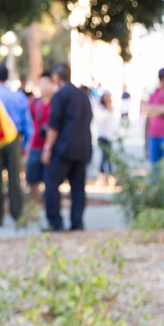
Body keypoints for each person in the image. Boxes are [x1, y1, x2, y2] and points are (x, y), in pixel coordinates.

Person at [41, 63, 93, 231]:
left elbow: (54, 126)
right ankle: (77, 222)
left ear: (56, 76)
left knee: (51, 183)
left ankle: (55, 222)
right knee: (78, 187)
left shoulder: (60, 95)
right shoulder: (83, 95)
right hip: (82, 147)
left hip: (64, 148)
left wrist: (47, 148)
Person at [0, 64, 33, 226]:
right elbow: (28, 123)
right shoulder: (19, 96)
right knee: (15, 178)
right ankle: (18, 215)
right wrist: (26, 145)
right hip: (15, 139)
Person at [27, 72, 55, 204]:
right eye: (41, 84)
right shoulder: (34, 103)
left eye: (46, 83)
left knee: (50, 182)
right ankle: (35, 208)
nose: (44, 87)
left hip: (51, 148)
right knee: (32, 180)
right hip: (35, 146)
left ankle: (49, 210)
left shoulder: (56, 103)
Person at [95, 91, 119, 185]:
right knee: (105, 156)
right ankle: (104, 176)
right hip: (102, 136)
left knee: (107, 156)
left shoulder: (112, 108)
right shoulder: (100, 109)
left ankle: (106, 176)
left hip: (110, 136)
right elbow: (102, 119)